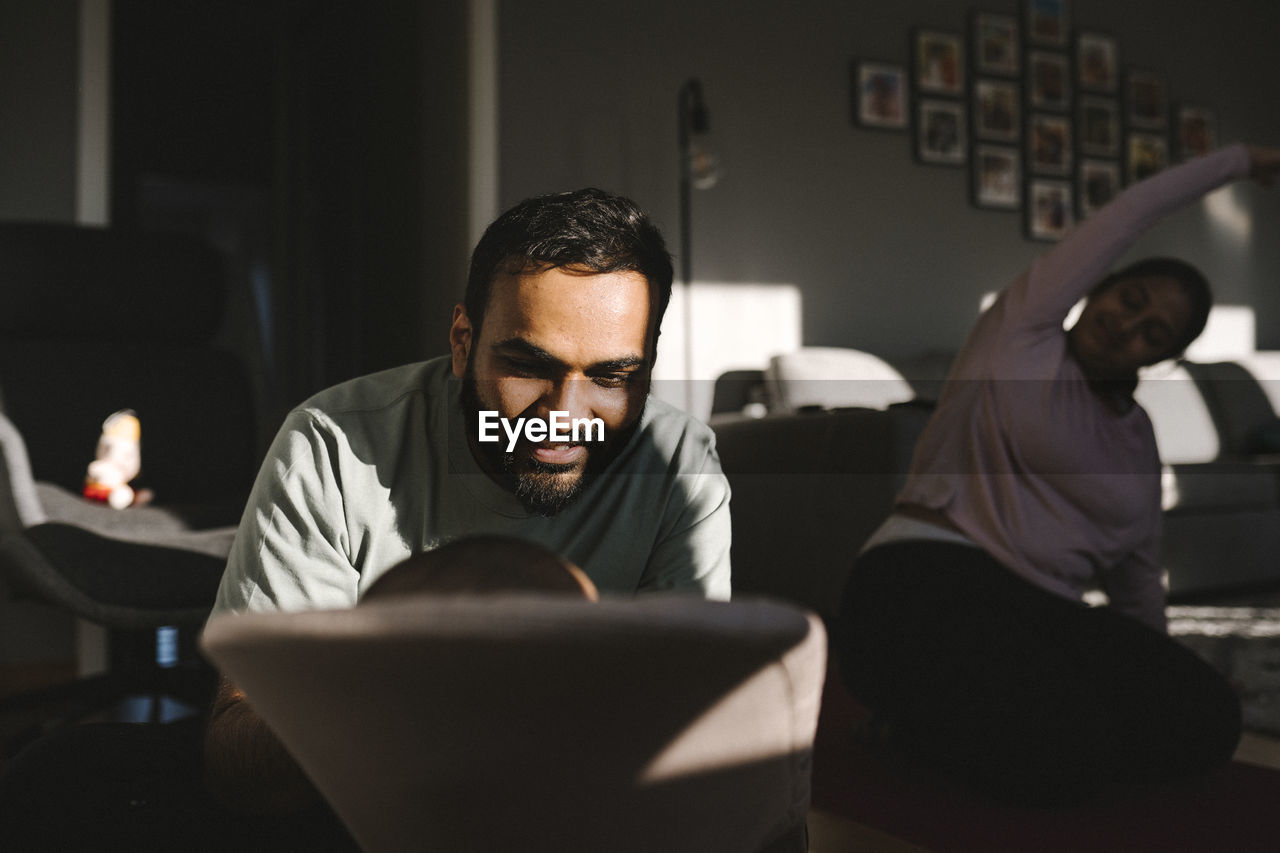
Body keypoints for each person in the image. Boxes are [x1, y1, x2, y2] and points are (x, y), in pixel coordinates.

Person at [203, 187, 732, 814]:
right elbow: (234, 750)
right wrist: (410, 695)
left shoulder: (679, 464)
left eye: (612, 377)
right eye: (527, 366)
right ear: (462, 342)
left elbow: (689, 729)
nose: (564, 418)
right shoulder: (332, 444)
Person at [836, 142, 1280, 806]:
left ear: (1161, 357)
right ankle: (926, 726)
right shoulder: (1020, 337)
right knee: (1067, 751)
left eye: (1154, 332)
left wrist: (1157, 670)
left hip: (1037, 622)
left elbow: (1138, 585)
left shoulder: (1137, 441)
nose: (1130, 325)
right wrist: (1242, 162)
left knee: (1208, 720)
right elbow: (1131, 214)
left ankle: (941, 729)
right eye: (1129, 299)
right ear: (1096, 285)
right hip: (922, 585)